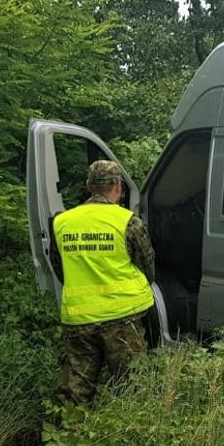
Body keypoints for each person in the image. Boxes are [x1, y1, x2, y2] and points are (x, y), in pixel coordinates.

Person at [50, 160, 156, 404]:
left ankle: (70, 434)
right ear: (118, 186)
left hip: (79, 319)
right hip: (122, 317)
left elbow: (59, 267)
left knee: (76, 388)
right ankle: (126, 435)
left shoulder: (62, 222)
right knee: (132, 385)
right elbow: (147, 266)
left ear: (89, 186)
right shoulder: (129, 222)